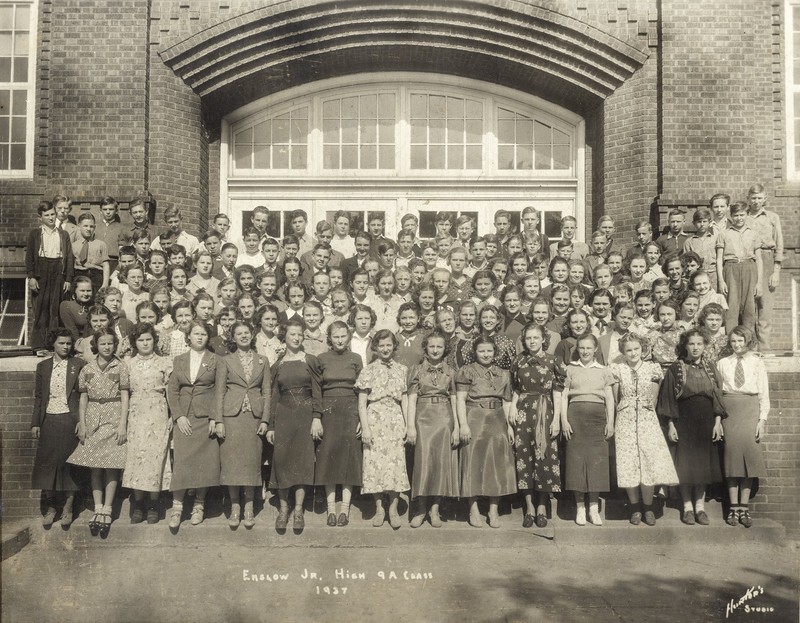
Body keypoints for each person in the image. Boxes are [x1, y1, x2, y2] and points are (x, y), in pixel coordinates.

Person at [657, 329, 725, 525]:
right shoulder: (676, 369)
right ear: (685, 346)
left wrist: (718, 423)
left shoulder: (711, 368)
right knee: (685, 466)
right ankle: (687, 508)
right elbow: (668, 398)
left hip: (706, 422)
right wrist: (671, 424)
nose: (696, 348)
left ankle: (700, 508)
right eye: (692, 344)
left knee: (703, 466)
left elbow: (718, 397)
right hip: (683, 421)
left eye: (699, 344)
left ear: (704, 346)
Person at [67, 329, 129, 537]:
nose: (107, 347)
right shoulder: (87, 369)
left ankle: (108, 509)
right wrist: (82, 424)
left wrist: (122, 424)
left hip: (113, 419)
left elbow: (125, 396)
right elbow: (83, 398)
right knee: (95, 466)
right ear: (96, 345)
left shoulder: (120, 366)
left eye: (110, 344)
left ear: (115, 345)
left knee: (112, 465)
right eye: (102, 344)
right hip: (93, 419)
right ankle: (98, 506)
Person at [611, 333, 678, 526]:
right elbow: (617, 399)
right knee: (629, 462)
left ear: (643, 349)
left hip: (647, 420)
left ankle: (648, 506)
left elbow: (654, 398)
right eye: (628, 350)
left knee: (648, 461)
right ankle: (634, 507)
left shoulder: (652, 368)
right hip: (625, 419)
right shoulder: (618, 369)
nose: (632, 353)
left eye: (636, 349)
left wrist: (644, 407)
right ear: (623, 352)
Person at [266, 318, 323, 531]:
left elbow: (317, 391)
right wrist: (271, 425)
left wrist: (316, 417)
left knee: (302, 462)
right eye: (292, 334)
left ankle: (298, 510)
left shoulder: (310, 360)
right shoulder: (278, 364)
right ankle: (283, 509)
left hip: (305, 417)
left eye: (300, 334)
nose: (297, 338)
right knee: (282, 462)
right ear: (285, 336)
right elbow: (273, 397)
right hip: (284, 417)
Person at [215, 321, 271, 529]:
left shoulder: (262, 360)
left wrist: (265, 419)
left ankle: (249, 507)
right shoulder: (226, 361)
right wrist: (219, 420)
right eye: (239, 334)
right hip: (232, 417)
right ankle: (235, 507)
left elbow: (267, 392)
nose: (244, 336)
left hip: (253, 418)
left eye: (247, 332)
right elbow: (219, 392)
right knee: (231, 464)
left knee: (251, 463)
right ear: (234, 337)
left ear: (252, 334)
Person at [456, 335, 516, 528]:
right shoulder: (466, 370)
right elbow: (460, 399)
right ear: (475, 352)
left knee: (496, 465)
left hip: (497, 419)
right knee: (472, 462)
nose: (486, 354)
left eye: (489, 350)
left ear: (495, 352)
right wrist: (463, 424)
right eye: (481, 350)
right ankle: (473, 510)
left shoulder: (504, 373)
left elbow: (507, 402)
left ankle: (493, 510)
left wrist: (509, 427)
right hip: (474, 417)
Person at [166, 321, 220, 531]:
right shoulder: (179, 360)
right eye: (196, 334)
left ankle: (199, 505)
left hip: (205, 418)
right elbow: (173, 390)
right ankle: (177, 507)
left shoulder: (216, 360)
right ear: (188, 337)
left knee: (205, 462)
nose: (199, 337)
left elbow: (219, 391)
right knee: (183, 461)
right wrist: (178, 415)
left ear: (208, 337)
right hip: (185, 418)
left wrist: (215, 417)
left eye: (203, 334)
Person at [31, 330, 87, 528]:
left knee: (68, 464)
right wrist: (36, 422)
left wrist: (82, 421)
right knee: (47, 464)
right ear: (53, 344)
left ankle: (68, 508)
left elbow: (84, 396)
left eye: (69, 343)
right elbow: (39, 397)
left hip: (70, 420)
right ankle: (51, 508)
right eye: (62, 343)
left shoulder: (79, 365)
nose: (66, 347)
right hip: (49, 420)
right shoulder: (43, 366)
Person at [356, 330, 410, 528]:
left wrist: (407, 424)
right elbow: (362, 403)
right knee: (374, 465)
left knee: (396, 465)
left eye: (389, 345)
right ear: (375, 348)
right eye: (381, 345)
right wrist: (366, 428)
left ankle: (393, 509)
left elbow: (404, 400)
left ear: (394, 347)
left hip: (395, 418)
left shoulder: (402, 370)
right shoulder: (367, 370)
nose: (385, 349)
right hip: (375, 418)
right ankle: (379, 508)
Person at [509, 323, 562, 528]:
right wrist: (513, 408)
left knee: (544, 458)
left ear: (543, 339)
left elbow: (557, 392)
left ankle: (542, 507)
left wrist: (556, 419)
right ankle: (529, 508)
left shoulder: (553, 361)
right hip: (523, 413)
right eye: (528, 338)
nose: (532, 341)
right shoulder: (519, 361)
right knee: (524, 458)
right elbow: (515, 388)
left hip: (545, 412)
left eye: (535, 338)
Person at [405, 331, 460, 528]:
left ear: (445, 349)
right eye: (432, 346)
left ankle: (435, 509)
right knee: (423, 462)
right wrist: (410, 426)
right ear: (426, 349)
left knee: (440, 463)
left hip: (444, 418)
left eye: (439, 347)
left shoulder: (451, 372)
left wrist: (457, 427)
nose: (435, 350)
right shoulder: (416, 370)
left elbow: (454, 399)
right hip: (422, 417)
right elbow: (411, 399)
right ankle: (420, 508)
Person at [717, 326, 770, 527]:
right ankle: (733, 508)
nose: (737, 345)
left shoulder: (757, 362)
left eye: (740, 341)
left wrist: (762, 420)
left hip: (750, 411)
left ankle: (744, 508)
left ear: (747, 342)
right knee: (732, 461)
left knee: (749, 460)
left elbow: (764, 393)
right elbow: (718, 394)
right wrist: (718, 420)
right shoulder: (723, 363)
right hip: (730, 411)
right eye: (733, 341)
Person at [560, 334, 615, 526]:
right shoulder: (570, 369)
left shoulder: (604, 370)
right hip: (575, 418)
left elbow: (609, 397)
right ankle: (580, 508)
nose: (585, 351)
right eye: (581, 348)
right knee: (576, 462)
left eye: (588, 348)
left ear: (595, 350)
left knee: (596, 463)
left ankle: (593, 507)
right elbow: (564, 395)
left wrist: (610, 422)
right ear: (577, 350)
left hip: (598, 419)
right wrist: (564, 420)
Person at [122, 323, 173, 524]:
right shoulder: (128, 364)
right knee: (136, 457)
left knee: (155, 457)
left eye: (148, 339)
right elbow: (124, 392)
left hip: (158, 412)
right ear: (135, 342)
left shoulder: (165, 362)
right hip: (135, 413)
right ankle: (138, 503)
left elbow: (171, 392)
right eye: (141, 340)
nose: (145, 343)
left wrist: (172, 415)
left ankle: (153, 504)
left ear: (155, 340)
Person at [315, 321, 364, 526]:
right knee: (328, 456)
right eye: (336, 337)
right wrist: (317, 417)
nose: (340, 340)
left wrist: (362, 417)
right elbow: (316, 390)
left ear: (349, 337)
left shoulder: (356, 358)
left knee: (348, 457)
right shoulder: (321, 359)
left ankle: (345, 508)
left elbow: (362, 389)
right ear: (329, 339)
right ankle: (330, 509)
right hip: (328, 411)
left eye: (343, 336)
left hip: (351, 410)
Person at [26, 200, 75, 355]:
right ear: (40, 217)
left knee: (56, 308)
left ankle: (54, 345)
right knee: (41, 308)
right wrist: (31, 277)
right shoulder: (35, 234)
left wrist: (68, 278)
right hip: (41, 272)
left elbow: (69, 258)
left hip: (58, 272)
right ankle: (39, 346)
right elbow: (29, 257)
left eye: (53, 214)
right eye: (47, 215)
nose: (51, 218)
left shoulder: (63, 234)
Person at [746, 184, 784, 352]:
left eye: (759, 198)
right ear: (748, 199)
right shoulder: (742, 217)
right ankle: (751, 348)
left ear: (765, 199)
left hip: (767, 259)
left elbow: (779, 244)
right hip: (749, 260)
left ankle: (765, 348)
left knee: (765, 306)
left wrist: (776, 271)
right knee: (748, 306)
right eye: (753, 198)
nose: (756, 201)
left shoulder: (772, 217)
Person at [716, 201, 763, 336]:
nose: (739, 218)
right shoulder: (724, 234)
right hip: (730, 269)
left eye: (742, 215)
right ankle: (731, 345)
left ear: (747, 215)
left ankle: (749, 345)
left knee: (749, 308)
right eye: (736, 215)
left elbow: (758, 259)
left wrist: (759, 282)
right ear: (731, 216)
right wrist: (721, 280)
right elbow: (719, 258)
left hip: (749, 268)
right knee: (732, 308)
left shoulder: (754, 234)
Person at [72, 212, 110, 293]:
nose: (88, 229)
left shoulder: (101, 244)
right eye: (85, 226)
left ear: (95, 227)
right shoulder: (73, 245)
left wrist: (105, 283)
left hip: (96, 276)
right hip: (79, 275)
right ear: (79, 226)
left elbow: (106, 265)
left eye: (91, 226)